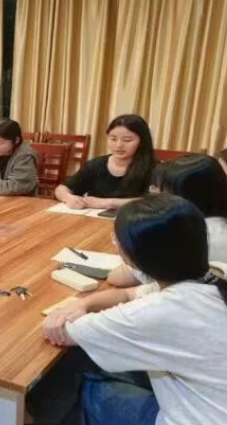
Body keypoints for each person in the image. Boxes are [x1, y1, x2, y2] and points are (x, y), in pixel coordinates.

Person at [43, 194, 227, 425]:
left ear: (134, 257)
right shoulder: (212, 275)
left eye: (117, 241)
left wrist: (61, 315)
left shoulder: (161, 310)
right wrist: (83, 303)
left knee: (86, 381)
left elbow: (65, 332)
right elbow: (128, 294)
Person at [108, 155, 227, 287]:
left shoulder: (187, 233)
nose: (152, 191)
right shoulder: (215, 224)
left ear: (183, 196)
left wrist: (123, 245)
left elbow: (118, 278)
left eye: (161, 189)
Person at [55, 114, 156, 209]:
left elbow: (158, 201)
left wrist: (110, 203)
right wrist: (68, 197)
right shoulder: (96, 164)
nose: (118, 145)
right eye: (113, 139)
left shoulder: (155, 169)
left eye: (127, 140)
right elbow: (61, 189)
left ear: (142, 142)